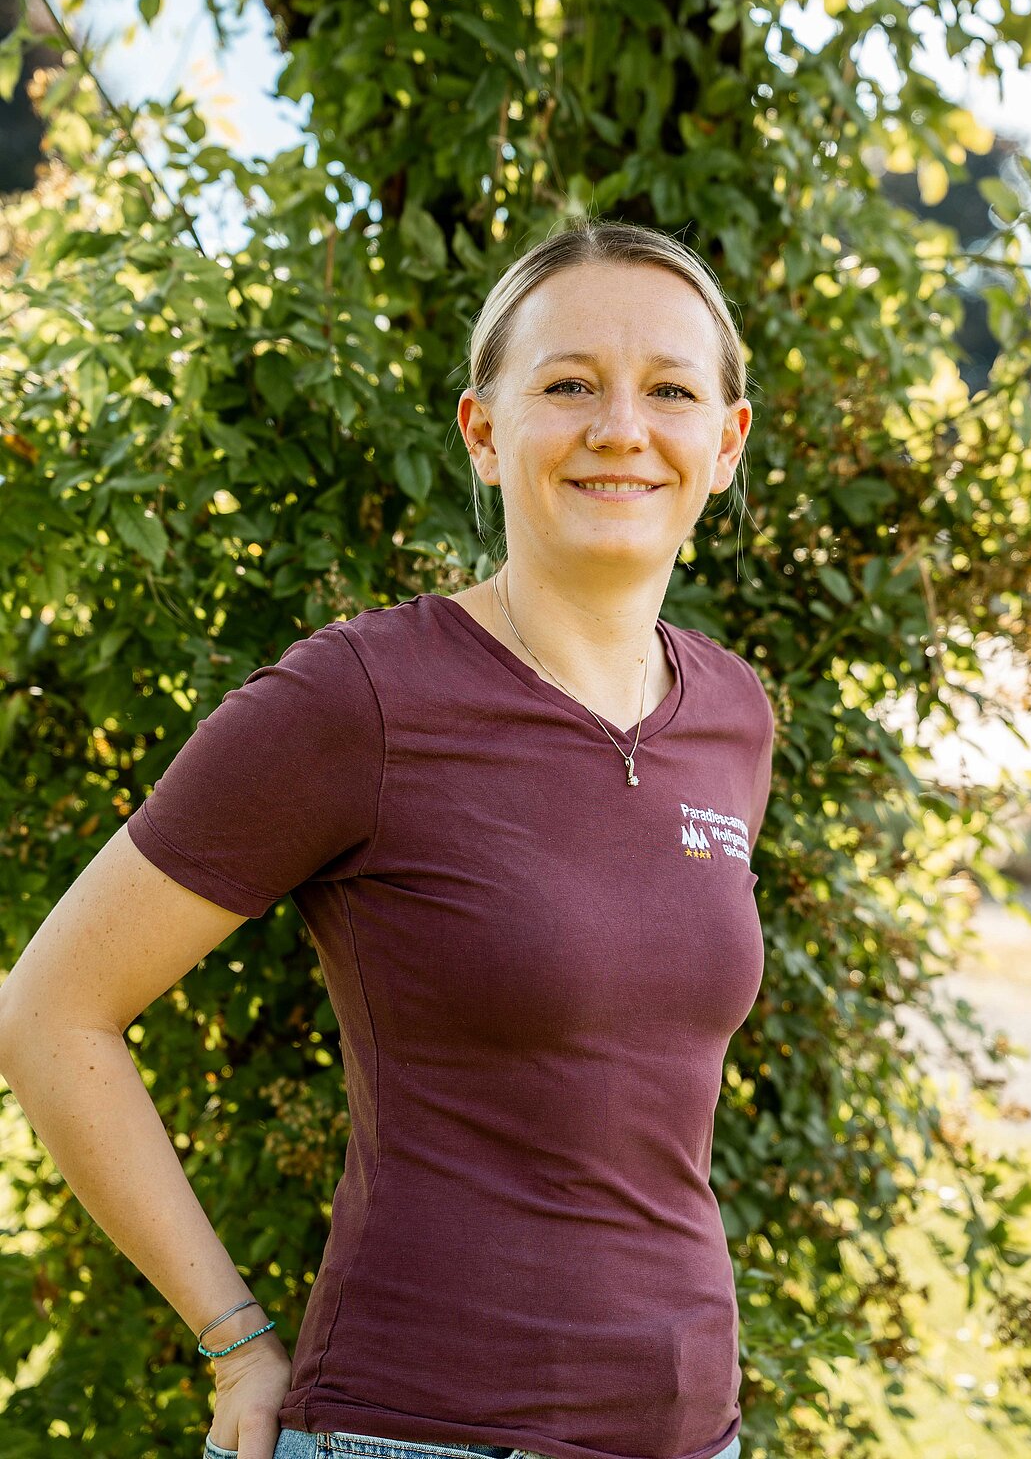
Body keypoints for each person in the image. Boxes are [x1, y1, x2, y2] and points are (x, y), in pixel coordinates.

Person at [0, 218, 774, 1459]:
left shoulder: (732, 714)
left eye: (670, 391)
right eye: (568, 384)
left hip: (694, 1434)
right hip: (422, 1433)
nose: (621, 428)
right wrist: (235, 1339)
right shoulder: (359, 700)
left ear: (724, 445)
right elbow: (52, 1011)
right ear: (483, 430)